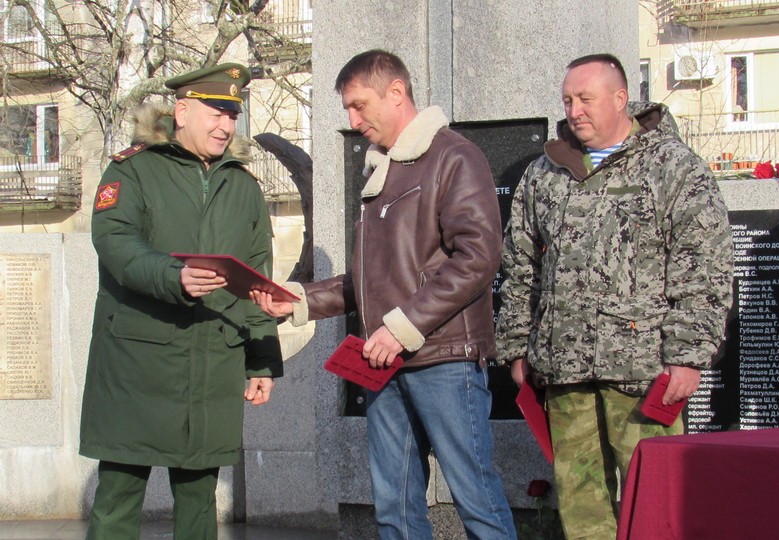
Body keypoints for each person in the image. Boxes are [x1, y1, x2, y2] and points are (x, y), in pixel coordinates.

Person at [251, 49, 516, 539]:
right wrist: (300, 300)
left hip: (445, 360)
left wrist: (401, 328)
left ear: (396, 93)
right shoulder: (382, 171)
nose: (353, 121)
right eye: (348, 110)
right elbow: (371, 283)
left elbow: (479, 258)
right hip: (385, 363)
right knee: (394, 511)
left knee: (476, 501)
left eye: (359, 105)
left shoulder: (454, 157)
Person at [495, 54, 733, 539]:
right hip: (565, 368)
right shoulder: (545, 173)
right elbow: (521, 265)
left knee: (657, 501)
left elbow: (703, 266)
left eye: (586, 98)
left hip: (643, 370)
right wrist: (518, 347)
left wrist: (688, 356)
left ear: (621, 98)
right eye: (568, 100)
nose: (574, 110)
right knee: (580, 503)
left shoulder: (672, 167)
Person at [80, 62, 283, 539]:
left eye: (232, 115)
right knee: (117, 500)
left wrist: (261, 359)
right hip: (136, 365)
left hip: (212, 364)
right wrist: (174, 276)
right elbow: (114, 242)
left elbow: (257, 280)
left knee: (198, 504)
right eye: (216, 113)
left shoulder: (244, 186)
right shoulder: (132, 169)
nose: (226, 126)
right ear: (182, 111)